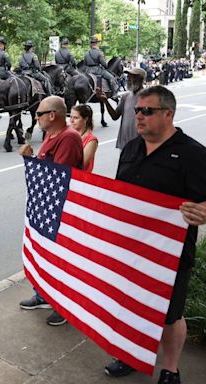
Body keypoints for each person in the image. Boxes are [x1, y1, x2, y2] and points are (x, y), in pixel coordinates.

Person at [104, 85, 206, 384]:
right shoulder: (133, 147)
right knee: (130, 304)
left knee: (169, 315)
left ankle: (170, 369)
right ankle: (132, 354)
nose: (139, 116)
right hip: (130, 246)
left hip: (170, 253)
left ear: (168, 114)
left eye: (147, 111)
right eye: (137, 110)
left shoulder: (193, 154)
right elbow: (120, 192)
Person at [19, 96, 83, 327]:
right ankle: (43, 295)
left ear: (52, 115)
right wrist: (31, 159)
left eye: (39, 114)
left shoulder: (68, 138)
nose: (36, 118)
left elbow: (58, 176)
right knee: (44, 254)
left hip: (60, 210)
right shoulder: (50, 136)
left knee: (60, 260)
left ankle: (63, 305)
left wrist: (33, 162)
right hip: (45, 207)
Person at [96, 67, 146, 150]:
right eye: (128, 76)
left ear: (140, 79)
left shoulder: (148, 96)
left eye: (131, 77)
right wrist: (105, 101)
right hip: (125, 145)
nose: (127, 79)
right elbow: (115, 116)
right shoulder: (125, 97)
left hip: (140, 145)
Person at [69, 104, 97, 172]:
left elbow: (82, 164)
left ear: (85, 119)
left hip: (79, 178)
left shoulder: (91, 140)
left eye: (76, 118)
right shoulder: (69, 134)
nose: (71, 121)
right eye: (70, 117)